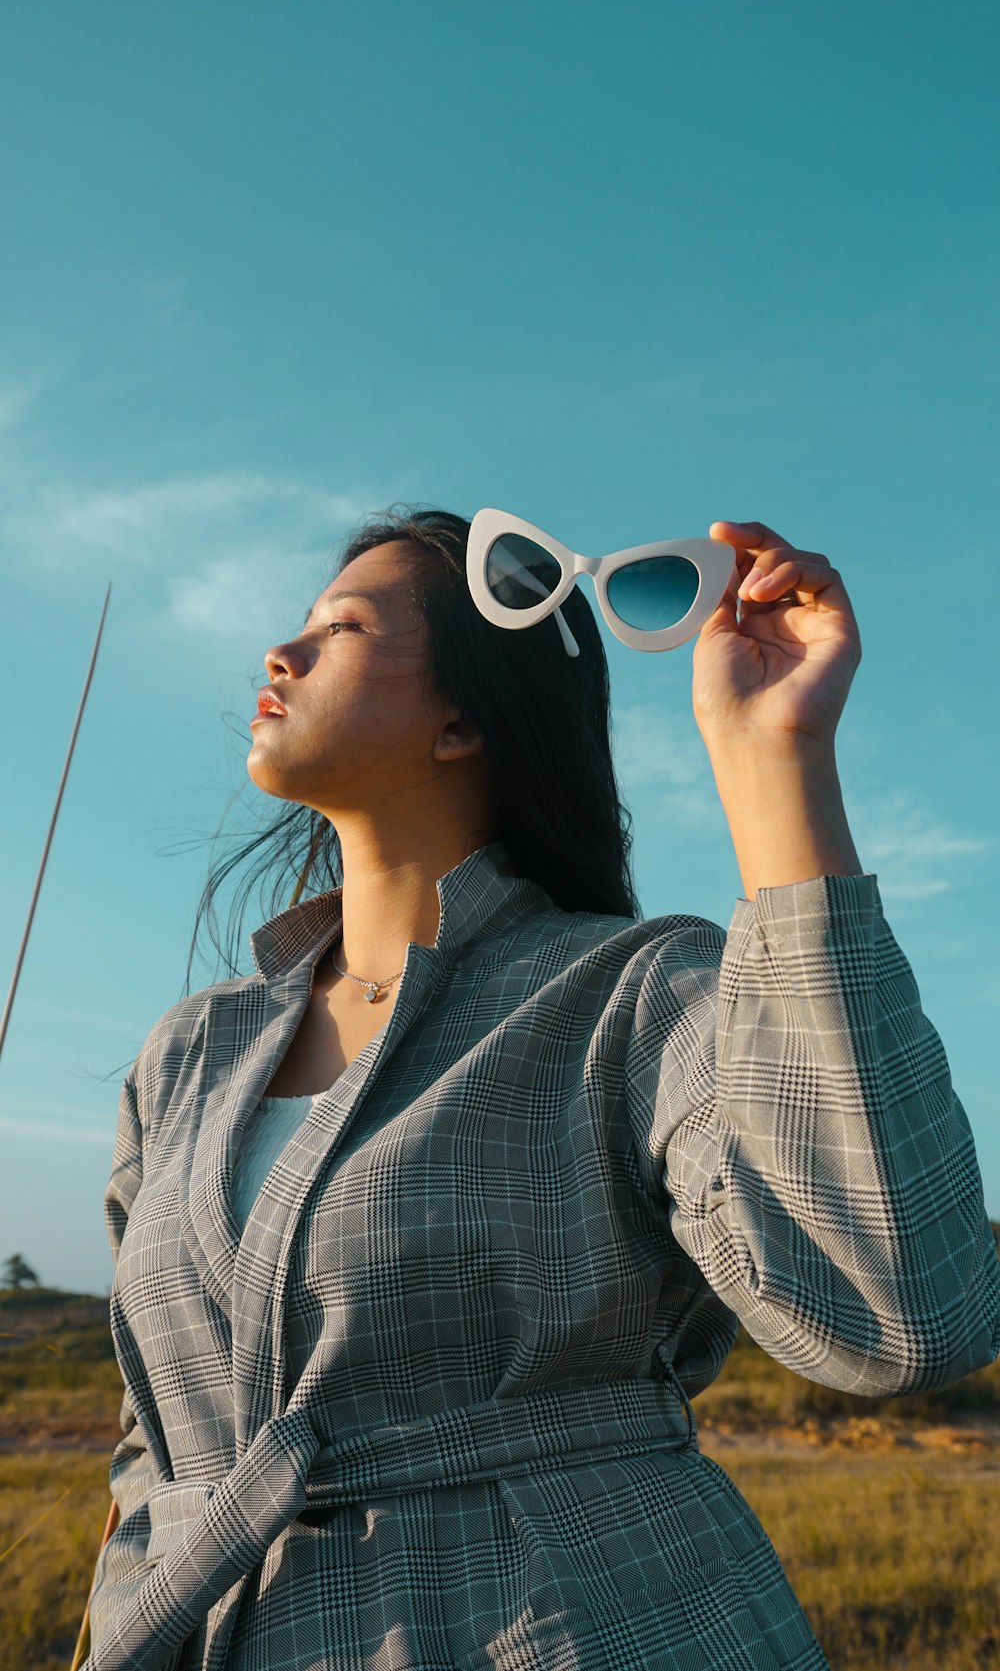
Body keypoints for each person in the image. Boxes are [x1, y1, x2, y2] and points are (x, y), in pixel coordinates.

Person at [85, 505, 1000, 1671]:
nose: (282, 651)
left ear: (464, 718)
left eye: (343, 627)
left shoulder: (626, 992)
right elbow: (147, 1431)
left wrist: (775, 764)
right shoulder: (187, 1055)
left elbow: (902, 1309)